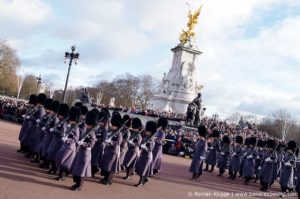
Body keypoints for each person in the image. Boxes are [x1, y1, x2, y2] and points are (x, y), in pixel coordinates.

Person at [70, 110, 97, 191]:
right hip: (80, 152)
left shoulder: (92, 133)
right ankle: (76, 183)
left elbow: (91, 144)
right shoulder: (87, 131)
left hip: (85, 154)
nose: (86, 125)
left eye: (88, 124)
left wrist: (82, 143)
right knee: (78, 169)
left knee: (82, 170)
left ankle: (80, 185)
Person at [55, 106, 81, 181]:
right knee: (61, 159)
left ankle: (63, 176)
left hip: (70, 147)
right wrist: (63, 135)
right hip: (65, 145)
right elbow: (64, 132)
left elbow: (75, 138)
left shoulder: (76, 128)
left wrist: (67, 139)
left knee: (65, 162)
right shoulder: (68, 125)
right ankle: (60, 175)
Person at [99, 112, 123, 185]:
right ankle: (105, 178)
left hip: (114, 152)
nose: (112, 126)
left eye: (114, 126)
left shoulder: (119, 134)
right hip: (108, 150)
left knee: (111, 167)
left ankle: (109, 180)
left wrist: (111, 142)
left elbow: (118, 143)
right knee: (106, 166)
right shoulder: (111, 132)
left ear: (118, 126)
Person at [46, 104, 69, 174]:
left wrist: (55, 131)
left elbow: (63, 133)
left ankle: (54, 169)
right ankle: (53, 168)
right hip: (55, 140)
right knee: (51, 155)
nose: (59, 116)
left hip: (59, 142)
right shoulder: (60, 121)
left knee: (55, 156)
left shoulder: (64, 123)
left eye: (60, 115)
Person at [24, 93, 47, 159]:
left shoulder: (41, 109)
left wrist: (31, 118)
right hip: (34, 127)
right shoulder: (38, 108)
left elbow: (39, 119)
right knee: (32, 141)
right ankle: (30, 152)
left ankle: (33, 154)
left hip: (36, 127)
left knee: (36, 142)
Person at [30, 98, 53, 163]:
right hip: (39, 131)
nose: (45, 110)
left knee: (40, 147)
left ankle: (38, 158)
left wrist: (40, 122)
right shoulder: (46, 114)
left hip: (43, 133)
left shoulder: (50, 116)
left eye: (47, 109)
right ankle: (36, 157)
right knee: (37, 145)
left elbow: (46, 124)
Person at [39, 100, 60, 169]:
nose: (50, 111)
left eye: (51, 110)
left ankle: (46, 164)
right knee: (43, 148)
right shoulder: (51, 117)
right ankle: (44, 162)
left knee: (47, 151)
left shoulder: (56, 118)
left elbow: (53, 127)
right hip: (47, 135)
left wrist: (47, 128)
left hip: (51, 137)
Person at [135, 121, 157, 187]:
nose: (146, 132)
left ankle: (141, 182)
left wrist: (145, 148)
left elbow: (150, 149)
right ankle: (144, 179)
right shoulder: (146, 138)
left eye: (148, 131)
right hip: (143, 155)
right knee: (141, 169)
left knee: (143, 170)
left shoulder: (152, 140)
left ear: (151, 132)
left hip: (147, 156)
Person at [91, 110, 109, 177]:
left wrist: (96, 140)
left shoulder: (104, 129)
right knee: (92, 159)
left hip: (99, 146)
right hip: (94, 145)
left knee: (95, 161)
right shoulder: (96, 127)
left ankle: (93, 172)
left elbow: (104, 138)